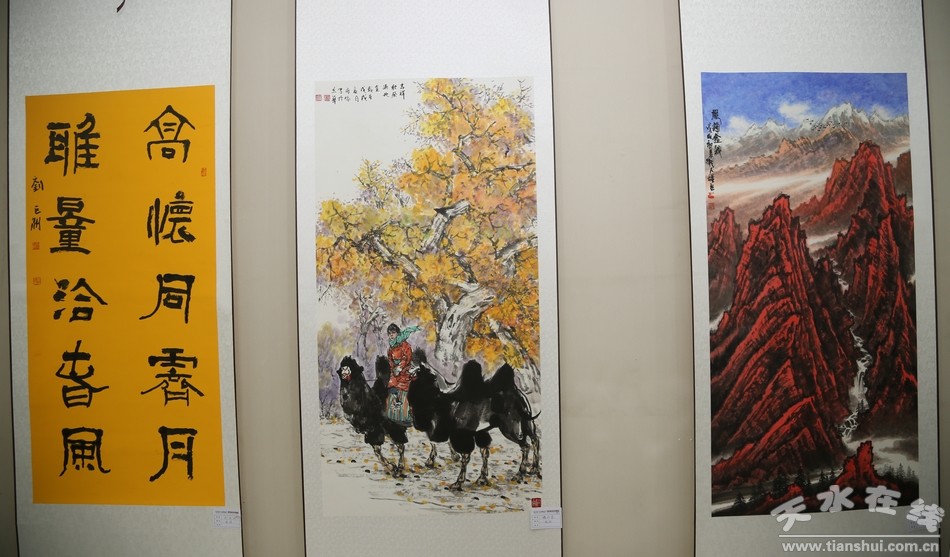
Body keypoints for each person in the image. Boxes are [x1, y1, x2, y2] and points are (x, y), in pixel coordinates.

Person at [385, 323, 419, 425]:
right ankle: (393, 415)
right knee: (392, 386)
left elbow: (407, 357)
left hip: (406, 371)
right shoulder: (391, 347)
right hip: (395, 372)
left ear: (398, 333)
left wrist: (400, 367)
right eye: (389, 333)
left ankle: (406, 416)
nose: (391, 335)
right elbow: (390, 360)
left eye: (393, 332)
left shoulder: (405, 345)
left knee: (405, 388)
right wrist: (394, 369)